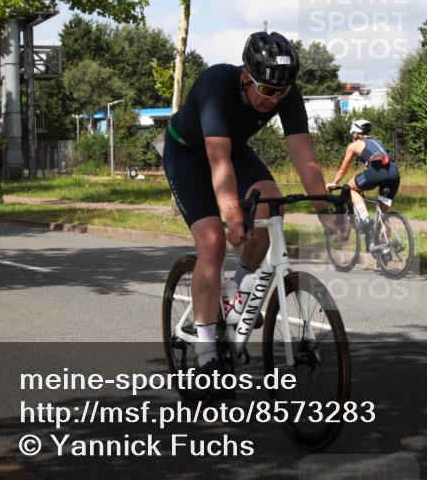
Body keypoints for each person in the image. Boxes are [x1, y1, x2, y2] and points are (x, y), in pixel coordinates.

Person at [162, 31, 342, 375]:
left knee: (271, 204)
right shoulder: (217, 83)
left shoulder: (285, 92)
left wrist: (325, 211)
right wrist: (231, 214)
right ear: (246, 77)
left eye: (281, 92)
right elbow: (217, 161)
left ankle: (237, 289)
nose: (273, 99)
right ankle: (205, 351)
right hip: (188, 155)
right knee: (213, 241)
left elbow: (305, 157)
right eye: (266, 90)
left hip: (232, 150)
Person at [327, 119, 400, 232]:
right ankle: (385, 246)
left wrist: (334, 182)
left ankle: (365, 218)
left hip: (376, 172)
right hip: (394, 173)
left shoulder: (353, 145)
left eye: (352, 134)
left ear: (356, 133)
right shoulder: (377, 141)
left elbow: (343, 169)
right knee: (382, 215)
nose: (352, 137)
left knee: (350, 188)